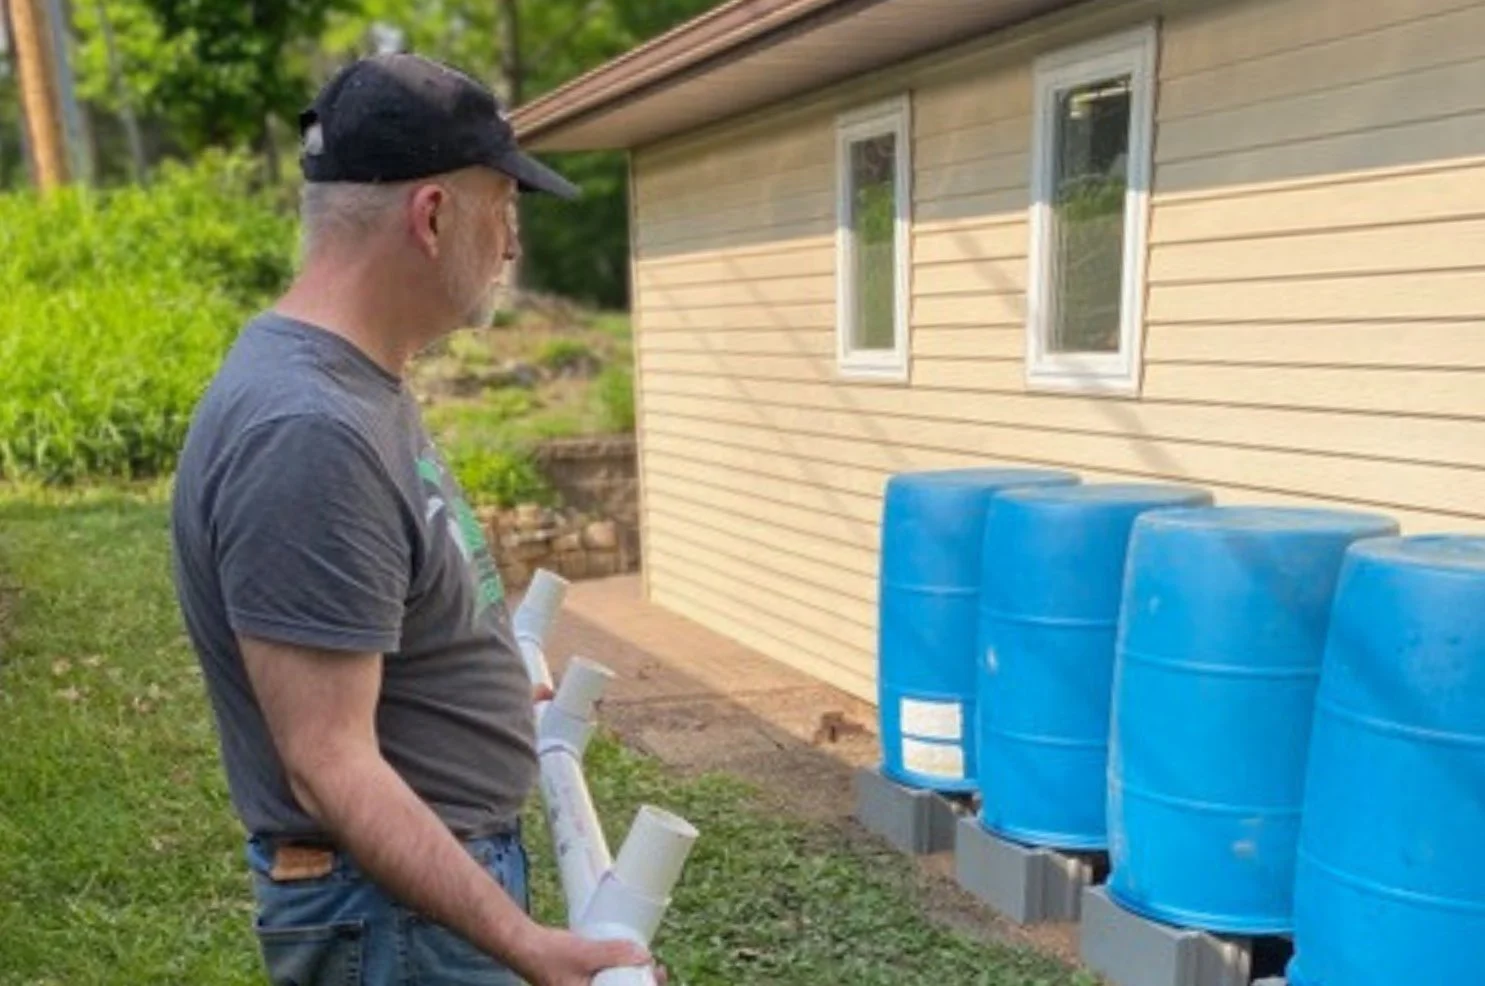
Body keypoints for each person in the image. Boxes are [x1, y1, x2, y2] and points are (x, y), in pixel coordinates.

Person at [169, 53, 659, 986]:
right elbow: (328, 763)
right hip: (391, 918)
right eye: (503, 209)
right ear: (433, 217)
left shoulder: (359, 387)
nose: (512, 247)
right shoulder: (308, 429)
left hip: (412, 897)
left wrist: (483, 699)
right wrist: (527, 946)